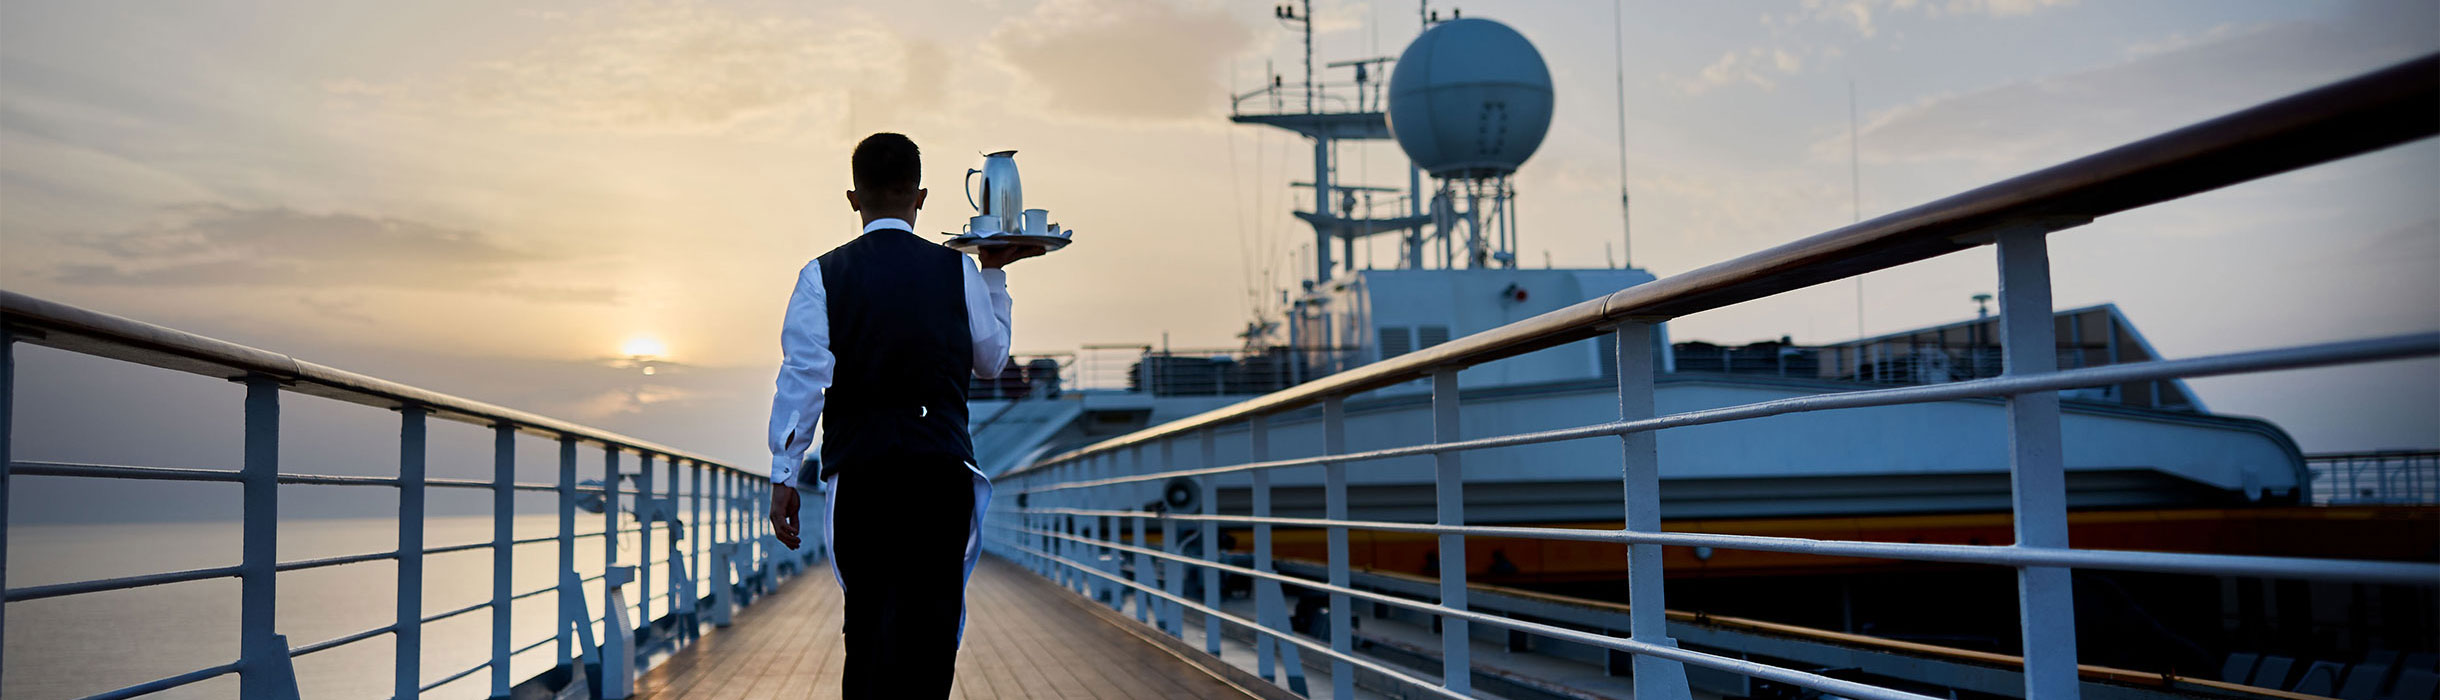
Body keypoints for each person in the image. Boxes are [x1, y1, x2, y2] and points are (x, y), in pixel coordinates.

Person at [765, 132, 1041, 698]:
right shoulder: (957, 271)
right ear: (920, 196)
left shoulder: (821, 275)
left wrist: (784, 474)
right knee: (932, 633)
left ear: (852, 198)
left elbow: (804, 380)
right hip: (939, 472)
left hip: (862, 474)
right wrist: (992, 273)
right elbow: (990, 362)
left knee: (867, 629)